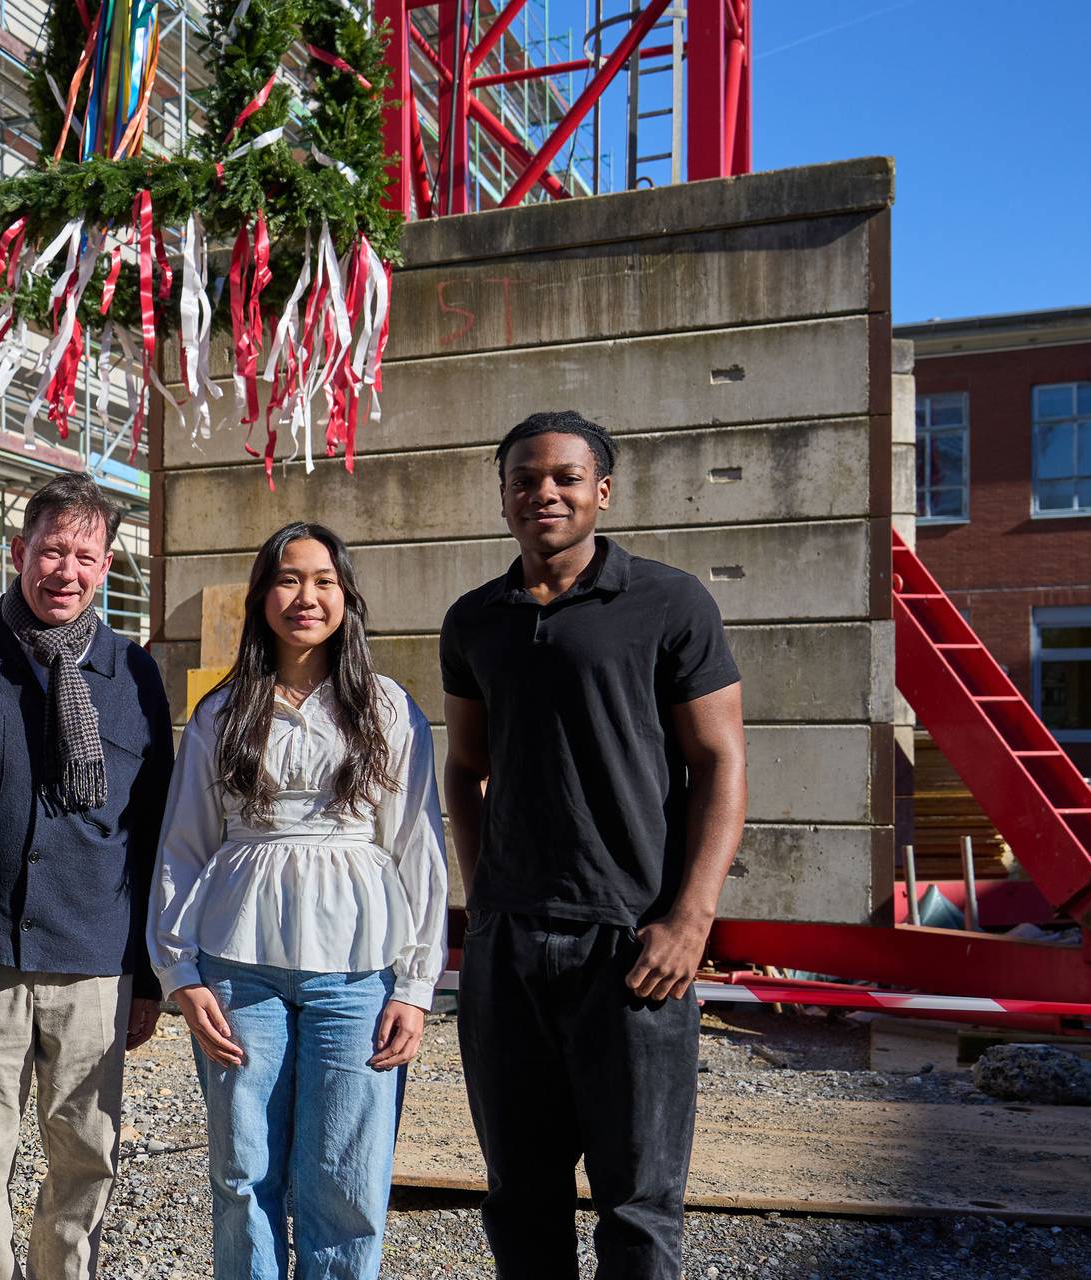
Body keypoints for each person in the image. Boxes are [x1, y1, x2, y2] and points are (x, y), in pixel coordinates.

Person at [441, 412, 748, 1279]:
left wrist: (691, 919)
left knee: (639, 1202)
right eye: (524, 479)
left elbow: (721, 762)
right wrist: (484, 897)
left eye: (565, 477)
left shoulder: (670, 603)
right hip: (509, 947)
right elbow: (464, 768)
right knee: (520, 1195)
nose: (543, 492)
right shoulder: (475, 620)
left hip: (632, 942)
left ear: (601, 492)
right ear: (503, 497)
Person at [147, 522, 447, 1280]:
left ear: (347, 598)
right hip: (238, 970)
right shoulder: (222, 712)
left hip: (359, 974)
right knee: (242, 1172)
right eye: (287, 579)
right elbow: (184, 843)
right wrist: (179, 971)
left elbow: (417, 845)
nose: (305, 597)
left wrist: (416, 985)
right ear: (261, 597)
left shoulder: (387, 708)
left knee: (346, 1178)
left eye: (323, 581)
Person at [0, 471, 176, 1280]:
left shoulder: (133, 674)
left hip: (94, 957)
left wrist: (149, 976)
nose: (66, 571)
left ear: (107, 566)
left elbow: (153, 828)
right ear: (20, 550)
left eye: (85, 557)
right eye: (52, 550)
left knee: (87, 1151)